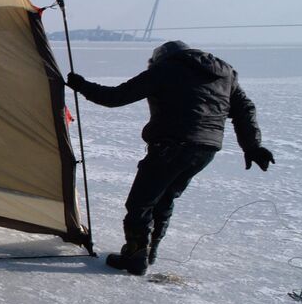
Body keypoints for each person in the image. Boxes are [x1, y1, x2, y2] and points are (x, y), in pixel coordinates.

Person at [67, 41, 273, 275]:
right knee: (165, 198)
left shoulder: (166, 69)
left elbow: (116, 96)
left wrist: (82, 85)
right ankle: (149, 251)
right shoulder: (226, 73)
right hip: (206, 150)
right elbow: (245, 109)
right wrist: (253, 146)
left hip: (172, 146)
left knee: (140, 203)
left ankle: (135, 256)